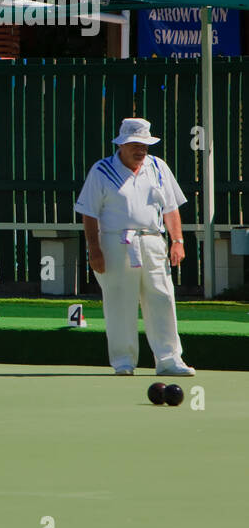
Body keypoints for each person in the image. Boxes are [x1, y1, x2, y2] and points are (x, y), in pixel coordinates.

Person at [74, 118, 195, 376]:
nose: (141, 150)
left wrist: (177, 241)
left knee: (162, 298)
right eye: (135, 145)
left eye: (145, 145)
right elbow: (89, 213)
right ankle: (123, 361)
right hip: (116, 243)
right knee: (119, 301)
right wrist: (93, 250)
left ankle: (169, 359)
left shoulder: (158, 167)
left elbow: (171, 208)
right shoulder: (101, 170)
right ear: (122, 144)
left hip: (153, 241)